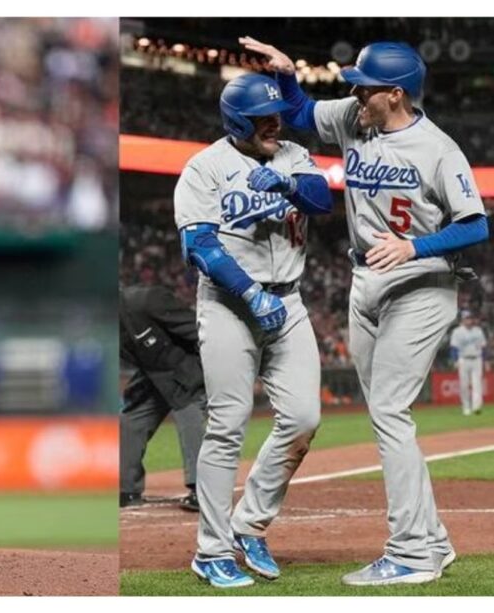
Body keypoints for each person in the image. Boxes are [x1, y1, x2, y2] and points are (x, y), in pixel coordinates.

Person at [241, 37, 489, 586]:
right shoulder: (357, 117)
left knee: (391, 414)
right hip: (364, 280)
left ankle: (409, 553)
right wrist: (285, 76)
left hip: (420, 283)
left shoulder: (439, 149)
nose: (354, 92)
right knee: (388, 414)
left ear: (395, 94)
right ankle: (434, 543)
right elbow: (302, 113)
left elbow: (476, 223)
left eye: (365, 85)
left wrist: (414, 246)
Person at [174, 73, 332, 588]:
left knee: (304, 416)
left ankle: (249, 524)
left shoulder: (292, 155)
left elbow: (321, 199)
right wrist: (250, 293)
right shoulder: (205, 168)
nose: (274, 124)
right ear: (236, 121)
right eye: (262, 118)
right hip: (228, 305)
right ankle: (211, 551)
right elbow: (201, 245)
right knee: (228, 424)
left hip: (289, 300)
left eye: (276, 116)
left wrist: (288, 183)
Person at [119, 283, 207, 513]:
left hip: (185, 369)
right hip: (153, 375)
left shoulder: (146, 299)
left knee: (190, 418)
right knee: (130, 420)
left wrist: (209, 368)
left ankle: (204, 491)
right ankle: (125, 489)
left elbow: (197, 329)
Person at [450, 310, 487, 415]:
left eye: (470, 318)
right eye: (467, 318)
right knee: (464, 385)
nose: (469, 320)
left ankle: (476, 407)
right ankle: (466, 407)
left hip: (477, 359)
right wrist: (455, 360)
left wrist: (484, 360)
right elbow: (454, 348)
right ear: (462, 319)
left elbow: (483, 347)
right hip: (463, 359)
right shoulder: (457, 331)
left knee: (477, 384)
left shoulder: (478, 331)